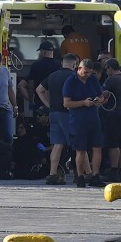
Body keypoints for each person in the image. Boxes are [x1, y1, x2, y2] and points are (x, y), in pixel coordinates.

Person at [63, 59, 108, 188]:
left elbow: (101, 95)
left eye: (89, 73)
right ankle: (80, 176)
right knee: (81, 150)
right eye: (85, 72)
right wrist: (83, 102)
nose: (87, 75)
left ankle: (95, 175)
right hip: (78, 120)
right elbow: (66, 103)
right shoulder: (70, 81)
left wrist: (99, 100)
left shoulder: (93, 80)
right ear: (79, 69)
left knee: (97, 147)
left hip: (93, 118)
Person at [36, 53, 79, 185]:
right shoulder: (74, 77)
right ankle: (81, 174)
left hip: (53, 113)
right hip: (68, 113)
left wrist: (48, 104)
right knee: (77, 145)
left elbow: (39, 90)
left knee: (57, 144)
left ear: (62, 63)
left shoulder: (53, 75)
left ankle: (52, 174)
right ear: (75, 65)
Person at [101, 58, 121, 183]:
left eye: (106, 69)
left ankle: (114, 170)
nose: (106, 71)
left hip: (114, 114)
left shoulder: (111, 79)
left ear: (111, 68)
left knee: (113, 144)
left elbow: (103, 96)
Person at [18, 41, 60, 112]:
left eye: (40, 51)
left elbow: (31, 84)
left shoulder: (36, 65)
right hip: (54, 102)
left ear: (43, 52)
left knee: (38, 121)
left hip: (39, 100)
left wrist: (31, 100)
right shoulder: (58, 66)